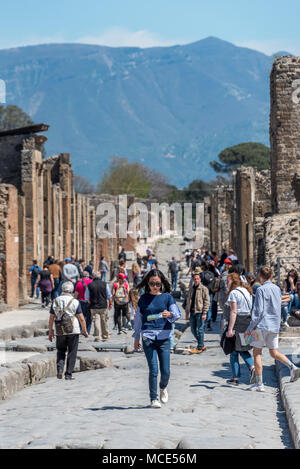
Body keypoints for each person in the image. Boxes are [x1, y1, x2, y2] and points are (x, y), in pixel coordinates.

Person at [245, 266, 300, 391]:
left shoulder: (260, 290)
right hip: (274, 325)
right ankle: (292, 367)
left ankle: (259, 384)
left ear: (260, 276)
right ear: (270, 276)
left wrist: (250, 327)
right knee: (273, 352)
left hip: (262, 325)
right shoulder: (277, 289)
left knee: (257, 353)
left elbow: (258, 311)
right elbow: (281, 304)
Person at [133, 269, 181, 408]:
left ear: (161, 284)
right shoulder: (143, 299)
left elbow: (177, 314)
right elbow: (138, 320)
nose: (155, 286)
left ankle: (163, 387)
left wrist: (170, 315)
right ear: (148, 283)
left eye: (158, 284)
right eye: (152, 283)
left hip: (164, 337)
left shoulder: (167, 297)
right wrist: (136, 338)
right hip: (148, 337)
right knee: (153, 369)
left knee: (165, 371)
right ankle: (153, 399)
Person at [48, 281, 88, 380]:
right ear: (72, 290)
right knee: (72, 351)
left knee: (60, 350)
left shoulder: (55, 301)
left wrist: (50, 331)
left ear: (62, 290)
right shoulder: (75, 301)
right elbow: (81, 317)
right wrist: (84, 330)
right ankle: (68, 373)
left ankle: (60, 370)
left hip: (59, 330)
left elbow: (51, 318)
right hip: (73, 330)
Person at [225, 273, 255, 386]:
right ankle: (240, 375)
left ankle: (247, 372)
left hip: (238, 322)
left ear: (233, 281)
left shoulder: (233, 293)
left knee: (237, 350)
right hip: (248, 321)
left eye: (227, 281)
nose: (226, 283)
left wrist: (230, 329)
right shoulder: (246, 290)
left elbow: (234, 312)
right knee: (240, 349)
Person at [185, 271, 210, 354]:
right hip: (192, 312)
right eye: (195, 279)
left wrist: (205, 313)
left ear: (200, 279)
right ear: (193, 279)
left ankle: (199, 347)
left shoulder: (204, 289)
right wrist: (187, 313)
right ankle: (202, 345)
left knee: (200, 330)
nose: (196, 280)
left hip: (200, 312)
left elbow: (207, 301)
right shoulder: (191, 289)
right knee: (192, 329)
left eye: (197, 279)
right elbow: (188, 301)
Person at [88, 271, 112, 342]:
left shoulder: (90, 285)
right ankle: (105, 335)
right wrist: (110, 303)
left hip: (94, 306)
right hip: (103, 305)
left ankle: (97, 336)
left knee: (96, 321)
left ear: (93, 276)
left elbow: (87, 297)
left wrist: (90, 302)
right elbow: (109, 295)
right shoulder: (105, 284)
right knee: (104, 320)